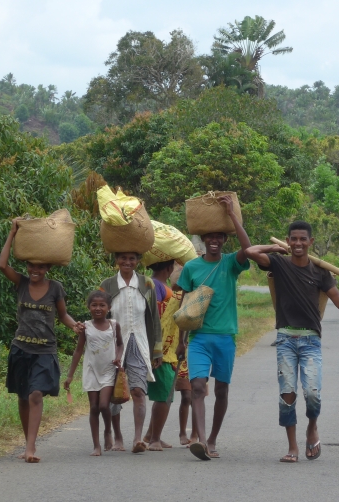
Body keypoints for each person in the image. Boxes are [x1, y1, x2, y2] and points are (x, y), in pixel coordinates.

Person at [244, 220, 339, 463]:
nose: (297, 243)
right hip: (285, 338)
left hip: (311, 340)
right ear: (288, 240)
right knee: (287, 394)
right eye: (293, 239)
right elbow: (250, 252)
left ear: (311, 242)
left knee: (313, 394)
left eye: (302, 239)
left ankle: (312, 427)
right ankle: (292, 447)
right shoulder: (279, 264)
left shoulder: (320, 272)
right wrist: (276, 249)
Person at [0, 217, 84, 463]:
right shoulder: (21, 283)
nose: (35, 271)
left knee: (36, 394)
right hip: (20, 348)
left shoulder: (55, 288)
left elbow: (63, 314)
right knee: (23, 397)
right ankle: (28, 444)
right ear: (27, 266)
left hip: (45, 350)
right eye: (31, 266)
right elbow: (2, 265)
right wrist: (12, 233)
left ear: (48, 268)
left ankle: (31, 447)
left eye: (41, 267)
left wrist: (74, 326)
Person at [176, 195, 251, 460]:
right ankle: (201, 441)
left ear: (224, 240)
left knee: (221, 390)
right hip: (199, 339)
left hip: (225, 338)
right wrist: (181, 341)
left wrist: (232, 215)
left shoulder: (230, 263)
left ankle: (212, 439)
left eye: (219, 237)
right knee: (197, 386)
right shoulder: (191, 268)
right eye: (210, 237)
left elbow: (249, 249)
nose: (215, 241)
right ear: (203, 240)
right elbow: (186, 309)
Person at [99, 252, 163, 453]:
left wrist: (156, 350)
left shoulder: (146, 284)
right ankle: (117, 436)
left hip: (139, 342)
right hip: (113, 344)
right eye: (123, 258)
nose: (127, 262)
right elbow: (101, 315)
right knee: (113, 392)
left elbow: (154, 319)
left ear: (138, 261)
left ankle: (137, 439)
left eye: (132, 259)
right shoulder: (107, 285)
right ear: (116, 260)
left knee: (138, 390)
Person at [63, 290, 124, 456]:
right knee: (94, 407)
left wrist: (118, 358)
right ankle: (96, 445)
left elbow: (120, 344)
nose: (98, 308)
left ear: (109, 307)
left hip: (109, 371)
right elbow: (78, 351)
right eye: (94, 305)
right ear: (89, 307)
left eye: (102, 305)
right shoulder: (85, 327)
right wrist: (69, 376)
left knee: (104, 405)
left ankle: (108, 431)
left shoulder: (114, 325)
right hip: (91, 371)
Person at [143, 259, 179, 451]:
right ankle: (154, 438)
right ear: (169, 268)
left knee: (165, 394)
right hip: (160, 350)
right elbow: (154, 316)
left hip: (168, 349)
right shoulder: (155, 286)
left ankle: (151, 434)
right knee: (165, 395)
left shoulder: (161, 285)